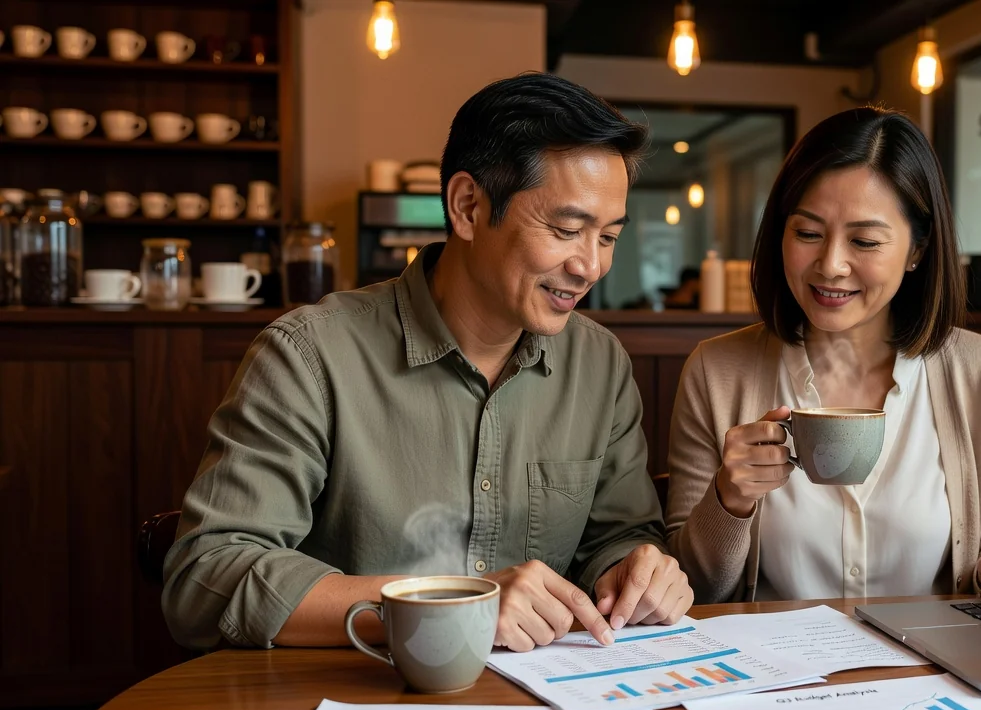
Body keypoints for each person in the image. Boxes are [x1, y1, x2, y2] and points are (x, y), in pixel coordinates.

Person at [163, 73, 693, 653]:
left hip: (542, 709)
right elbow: (205, 577)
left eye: (609, 236)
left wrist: (636, 573)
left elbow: (617, 536)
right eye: (567, 230)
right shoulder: (311, 356)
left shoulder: (598, 365)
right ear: (468, 207)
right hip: (349, 705)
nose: (591, 267)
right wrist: (447, 606)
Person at [665, 107, 981, 605]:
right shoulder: (717, 371)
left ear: (917, 251)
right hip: (774, 674)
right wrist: (730, 499)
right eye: (807, 233)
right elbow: (686, 591)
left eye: (865, 241)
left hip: (935, 673)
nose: (830, 265)